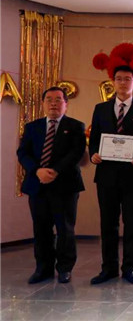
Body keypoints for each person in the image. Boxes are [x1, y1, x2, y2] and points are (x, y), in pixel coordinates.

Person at [88, 65, 133, 285]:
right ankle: (108, 268)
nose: (123, 83)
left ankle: (130, 268)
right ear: (113, 82)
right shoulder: (100, 108)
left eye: (127, 79)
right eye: (118, 79)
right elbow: (95, 139)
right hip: (106, 174)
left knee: (132, 222)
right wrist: (93, 155)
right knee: (108, 223)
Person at [17, 87, 86, 284]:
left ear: (66, 104)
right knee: (41, 229)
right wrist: (37, 170)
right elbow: (22, 153)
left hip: (65, 185)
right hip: (37, 184)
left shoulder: (75, 126)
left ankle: (65, 268)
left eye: (58, 100)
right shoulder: (32, 127)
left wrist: (55, 171)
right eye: (49, 99)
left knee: (65, 228)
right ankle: (43, 268)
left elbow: (76, 153)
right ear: (43, 104)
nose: (53, 103)